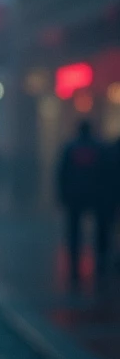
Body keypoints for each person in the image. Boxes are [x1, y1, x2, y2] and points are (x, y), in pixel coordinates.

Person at [55, 119, 111, 285]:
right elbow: (105, 172)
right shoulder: (99, 148)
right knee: (100, 229)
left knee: (74, 228)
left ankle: (74, 258)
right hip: (95, 195)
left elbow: (62, 173)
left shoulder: (70, 148)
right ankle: (101, 258)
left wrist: (62, 194)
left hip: (75, 196)